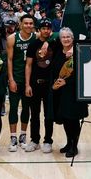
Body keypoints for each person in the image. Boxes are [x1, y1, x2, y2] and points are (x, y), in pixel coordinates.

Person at [50, 28, 88, 157]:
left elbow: (82, 72)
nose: (65, 39)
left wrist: (68, 81)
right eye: (63, 37)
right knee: (65, 119)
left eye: (68, 37)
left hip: (73, 91)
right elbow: (50, 39)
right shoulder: (57, 51)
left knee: (73, 119)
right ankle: (68, 142)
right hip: (60, 91)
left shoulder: (78, 51)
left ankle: (74, 146)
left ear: (73, 38)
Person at [24, 19, 58, 153]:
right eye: (43, 28)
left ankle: (48, 141)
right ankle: (34, 140)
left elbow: (64, 35)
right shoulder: (33, 45)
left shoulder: (55, 44)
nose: (46, 30)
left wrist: (47, 43)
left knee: (49, 115)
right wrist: (27, 85)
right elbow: (28, 65)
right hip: (35, 84)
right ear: (39, 30)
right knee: (35, 115)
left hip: (50, 85)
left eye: (48, 28)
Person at [5, 14, 36, 152]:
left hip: (29, 80)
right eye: (26, 23)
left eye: (31, 23)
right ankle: (13, 137)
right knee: (13, 107)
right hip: (16, 78)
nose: (29, 25)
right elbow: (9, 60)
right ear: (21, 24)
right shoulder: (12, 38)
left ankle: (23, 135)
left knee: (26, 108)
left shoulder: (36, 37)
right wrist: (11, 79)